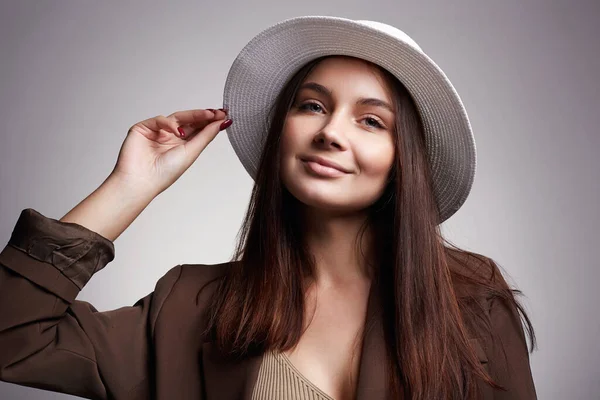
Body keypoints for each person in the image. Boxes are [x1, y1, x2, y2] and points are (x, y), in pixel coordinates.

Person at [0, 16, 537, 400]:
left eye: (371, 120)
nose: (330, 131)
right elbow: (12, 339)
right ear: (283, 131)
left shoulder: (470, 303)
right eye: (312, 105)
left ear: (405, 162)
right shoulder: (190, 306)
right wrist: (130, 186)